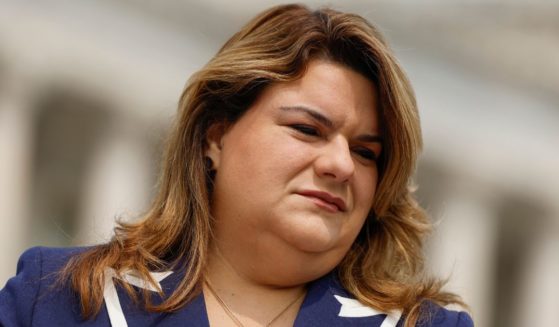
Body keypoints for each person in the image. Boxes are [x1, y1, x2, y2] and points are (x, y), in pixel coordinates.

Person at [0, 3, 473, 327]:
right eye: (307, 129)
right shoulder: (58, 300)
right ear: (217, 136)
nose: (340, 164)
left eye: (366, 152)